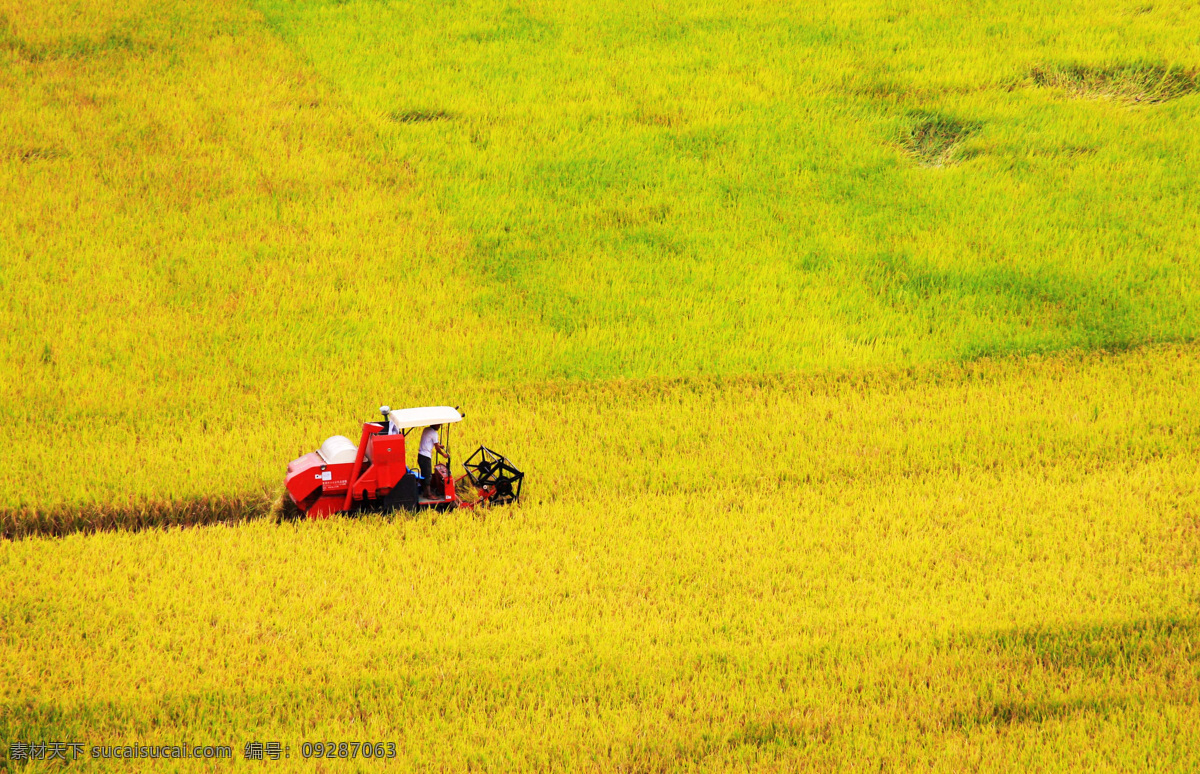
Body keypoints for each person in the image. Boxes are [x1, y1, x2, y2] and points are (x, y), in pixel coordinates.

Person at [417, 424, 443, 498]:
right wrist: (443, 455)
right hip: (426, 457)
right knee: (428, 476)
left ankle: (425, 492)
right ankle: (428, 494)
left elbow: (429, 442)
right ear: (435, 425)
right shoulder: (434, 433)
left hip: (420, 456)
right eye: (439, 425)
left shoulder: (426, 429)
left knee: (424, 475)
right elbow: (437, 448)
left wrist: (439, 446)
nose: (439, 427)